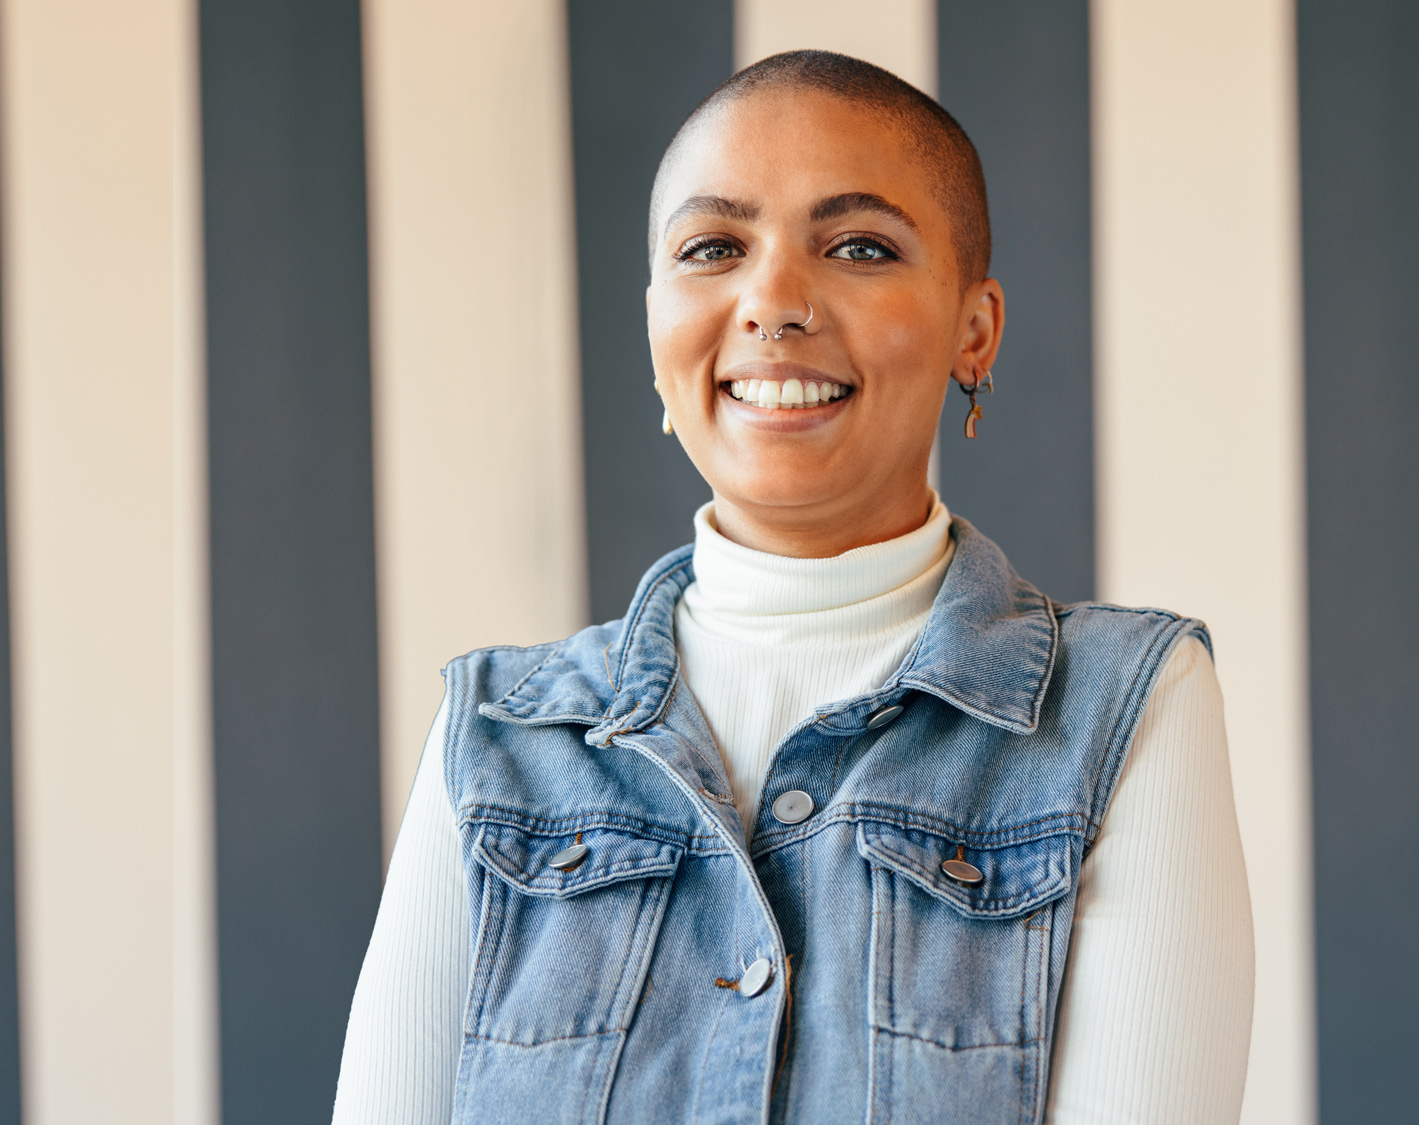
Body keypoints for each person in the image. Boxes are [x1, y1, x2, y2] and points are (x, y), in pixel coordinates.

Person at [332, 50, 1253, 1125]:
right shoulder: (493, 737)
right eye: (712, 247)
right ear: (653, 327)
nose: (771, 300)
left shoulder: (1126, 706)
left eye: (858, 246)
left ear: (974, 331)